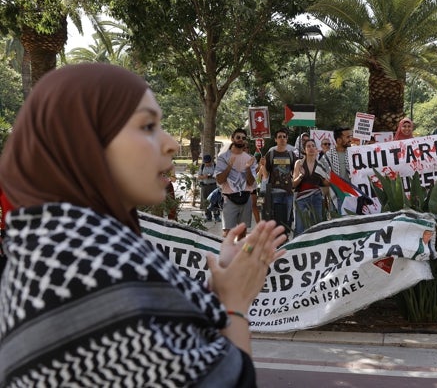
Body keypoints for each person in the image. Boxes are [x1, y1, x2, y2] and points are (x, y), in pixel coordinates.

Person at [0, 63, 286, 386]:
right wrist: (235, 302)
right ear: (84, 141)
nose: (171, 144)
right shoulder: (88, 270)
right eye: (148, 126)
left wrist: (220, 288)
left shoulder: (67, 247)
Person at [216, 129, 257, 238]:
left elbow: (251, 182)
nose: (241, 140)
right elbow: (219, 180)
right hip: (229, 198)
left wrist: (248, 168)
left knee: (242, 232)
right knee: (227, 233)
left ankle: (240, 254)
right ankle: (226, 254)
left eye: (243, 138)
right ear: (232, 138)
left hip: (245, 197)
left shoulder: (250, 159)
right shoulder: (223, 157)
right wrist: (229, 167)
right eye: (238, 137)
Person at [292, 139, 330, 235]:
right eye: (308, 146)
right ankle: (299, 248)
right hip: (301, 198)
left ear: (317, 149)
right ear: (304, 150)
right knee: (300, 227)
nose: (311, 148)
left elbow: (325, 183)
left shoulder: (321, 165)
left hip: (316, 197)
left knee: (317, 227)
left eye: (313, 146)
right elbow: (293, 184)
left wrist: (329, 179)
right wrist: (301, 176)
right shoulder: (299, 163)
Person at [265, 128, 297, 233]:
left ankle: (285, 238)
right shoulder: (271, 154)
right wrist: (262, 166)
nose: (282, 139)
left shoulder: (291, 155)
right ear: (275, 140)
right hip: (275, 192)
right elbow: (265, 174)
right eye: (279, 137)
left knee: (287, 218)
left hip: (288, 191)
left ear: (287, 139)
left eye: (284, 137)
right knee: (275, 218)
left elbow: (295, 171)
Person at [198, 153, 218, 221]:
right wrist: (204, 176)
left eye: (208, 162)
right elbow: (199, 177)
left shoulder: (215, 166)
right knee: (206, 201)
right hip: (205, 186)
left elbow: (218, 175)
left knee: (215, 200)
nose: (207, 164)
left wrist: (213, 176)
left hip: (213, 185)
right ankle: (208, 216)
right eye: (206, 162)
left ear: (211, 161)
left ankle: (216, 215)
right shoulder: (202, 166)